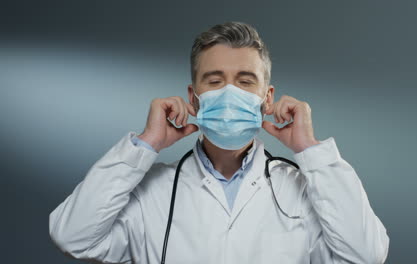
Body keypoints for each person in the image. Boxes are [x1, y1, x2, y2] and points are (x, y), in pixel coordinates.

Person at [49, 21, 389, 264]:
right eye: (214, 80)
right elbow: (73, 237)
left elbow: (366, 254)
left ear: (266, 98)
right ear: (193, 98)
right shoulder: (151, 191)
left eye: (245, 81)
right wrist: (144, 144)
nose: (230, 93)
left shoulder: (302, 190)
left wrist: (311, 152)